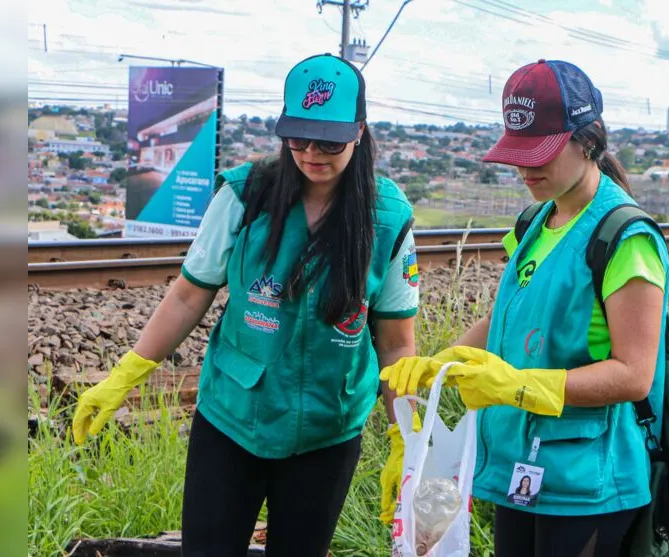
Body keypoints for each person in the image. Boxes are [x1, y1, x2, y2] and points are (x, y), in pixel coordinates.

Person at [71, 53, 420, 557]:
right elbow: (190, 294)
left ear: (359, 131)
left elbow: (395, 343)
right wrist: (127, 372)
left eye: (329, 141)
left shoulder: (388, 219)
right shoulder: (244, 196)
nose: (311, 153)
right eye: (298, 137)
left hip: (327, 429)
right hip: (233, 418)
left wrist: (402, 435)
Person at [381, 59, 669, 557]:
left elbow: (634, 375)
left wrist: (516, 386)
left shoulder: (625, 239)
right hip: (520, 467)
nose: (525, 168)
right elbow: (507, 320)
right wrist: (440, 364)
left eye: (541, 153)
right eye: (518, 153)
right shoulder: (534, 223)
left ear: (590, 142)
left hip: (588, 483)